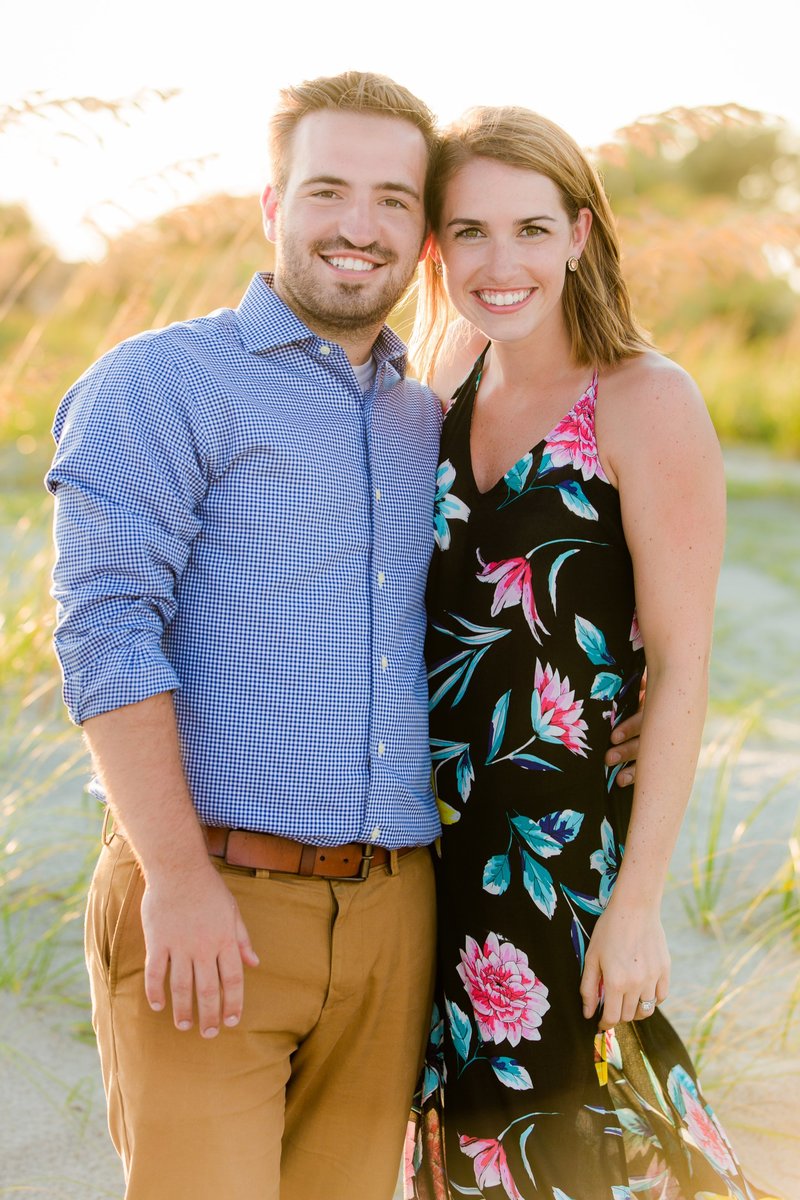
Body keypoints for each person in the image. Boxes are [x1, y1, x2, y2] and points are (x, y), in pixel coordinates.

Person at [46, 73, 642, 1200]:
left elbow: (506, 600)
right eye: (328, 190)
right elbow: (106, 631)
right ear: (271, 204)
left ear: (422, 237)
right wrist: (174, 878)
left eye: (392, 199)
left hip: (396, 916)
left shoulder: (422, 414)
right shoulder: (163, 382)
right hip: (212, 897)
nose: (357, 226)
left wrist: (632, 692)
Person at [407, 107, 772, 1200]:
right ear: (434, 246)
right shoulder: (441, 388)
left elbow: (680, 661)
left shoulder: (641, 400)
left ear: (576, 232)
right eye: (467, 231)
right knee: (462, 1138)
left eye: (528, 228)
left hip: (562, 852)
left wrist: (638, 902)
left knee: (574, 1129)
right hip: (426, 846)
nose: (498, 261)